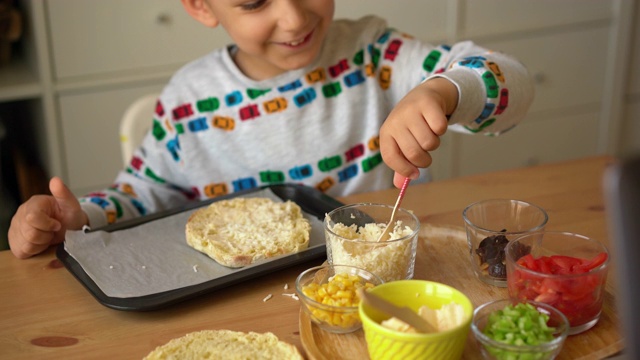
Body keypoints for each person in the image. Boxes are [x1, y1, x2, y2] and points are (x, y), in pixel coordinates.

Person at [8, 0, 534, 259]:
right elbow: (144, 192)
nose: (293, 16)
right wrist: (85, 216)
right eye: (256, 1)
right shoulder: (190, 103)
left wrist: (442, 90)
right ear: (200, 5)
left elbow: (513, 87)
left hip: (368, 280)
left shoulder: (378, 55)